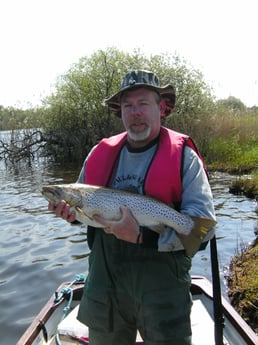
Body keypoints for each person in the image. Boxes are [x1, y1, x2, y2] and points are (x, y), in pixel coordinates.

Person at [49, 70, 216, 345]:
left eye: (143, 104)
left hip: (163, 291)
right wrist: (72, 217)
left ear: (161, 108)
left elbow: (202, 233)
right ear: (120, 112)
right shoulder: (98, 153)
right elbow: (84, 213)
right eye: (128, 106)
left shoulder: (184, 157)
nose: (135, 113)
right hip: (106, 288)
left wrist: (142, 236)